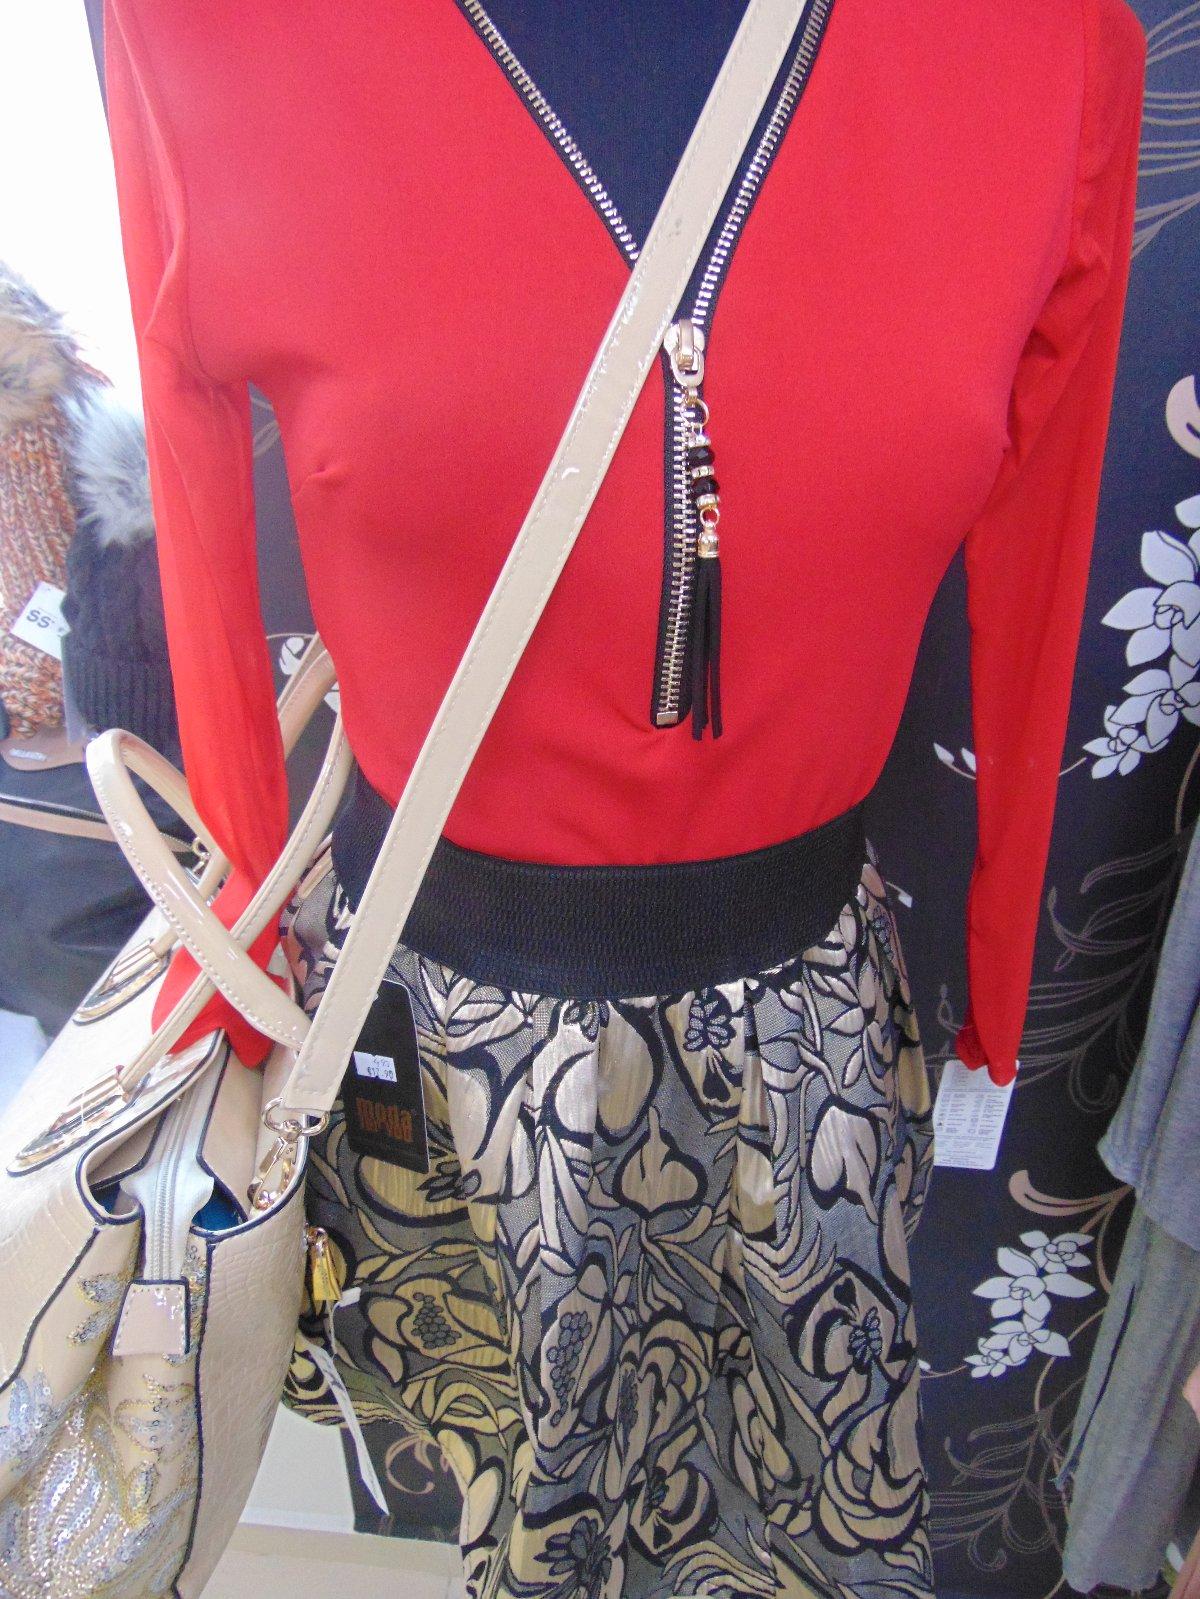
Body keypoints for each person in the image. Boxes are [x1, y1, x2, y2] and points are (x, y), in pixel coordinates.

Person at [100, 2, 1147, 1594]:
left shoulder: (1042, 49)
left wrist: (1000, 951)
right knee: (516, 1516)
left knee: (800, 1523)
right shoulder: (207, 35)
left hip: (808, 1043)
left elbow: (1043, 544)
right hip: (437, 1042)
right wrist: (237, 963)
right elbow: (190, 505)